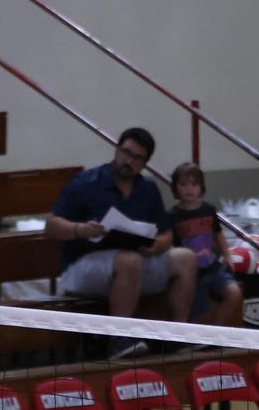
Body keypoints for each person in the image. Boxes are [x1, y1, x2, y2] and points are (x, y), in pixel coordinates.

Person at [45, 126, 198, 359]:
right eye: (125, 152)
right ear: (116, 149)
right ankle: (118, 340)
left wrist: (157, 246)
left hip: (131, 264)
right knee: (129, 260)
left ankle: (178, 335)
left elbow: (166, 234)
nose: (128, 160)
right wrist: (80, 229)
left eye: (137, 158)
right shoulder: (86, 183)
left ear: (145, 163)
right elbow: (51, 226)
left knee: (185, 258)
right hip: (83, 268)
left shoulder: (147, 188)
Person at [162, 163, 247, 329]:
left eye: (194, 184)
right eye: (183, 184)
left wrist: (227, 255)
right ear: (175, 188)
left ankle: (216, 333)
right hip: (192, 274)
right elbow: (170, 244)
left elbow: (217, 233)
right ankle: (194, 338)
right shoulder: (172, 216)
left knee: (234, 293)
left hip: (213, 267)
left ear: (201, 187)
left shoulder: (208, 210)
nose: (189, 189)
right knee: (197, 310)